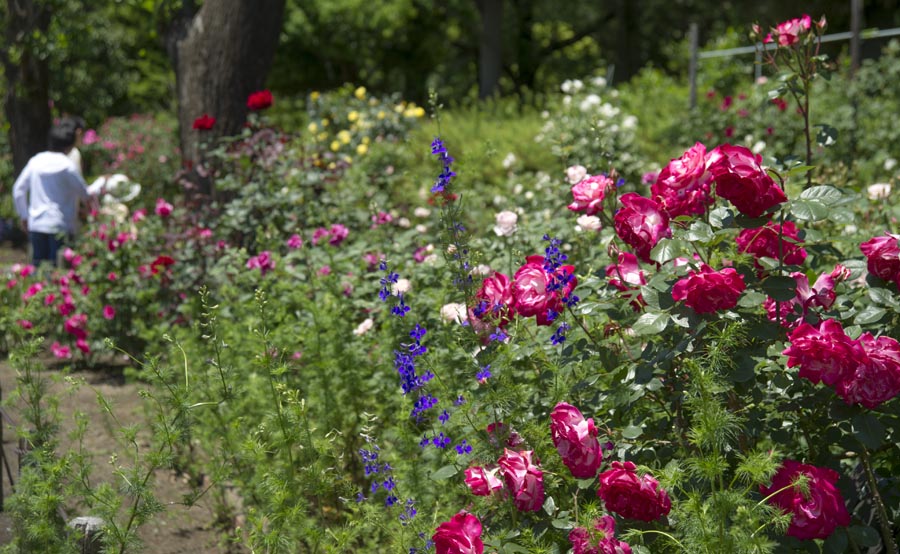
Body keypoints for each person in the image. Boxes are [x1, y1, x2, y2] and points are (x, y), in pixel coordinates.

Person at [12, 122, 92, 266]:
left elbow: (18, 190)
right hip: (60, 225)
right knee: (58, 271)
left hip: (36, 223)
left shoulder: (36, 161)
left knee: (38, 269)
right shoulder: (67, 166)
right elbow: (85, 193)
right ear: (70, 144)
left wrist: (24, 216)